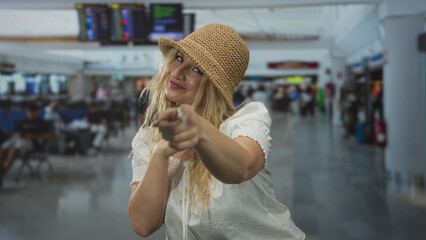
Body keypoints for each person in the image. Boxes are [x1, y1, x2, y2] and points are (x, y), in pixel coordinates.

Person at [128, 23, 306, 240]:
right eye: (179, 58)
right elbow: (143, 224)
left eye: (197, 70)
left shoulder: (246, 120)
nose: (177, 72)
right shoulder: (149, 138)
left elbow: (241, 168)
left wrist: (198, 129)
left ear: (215, 86)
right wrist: (160, 153)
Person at [0, 104, 51, 182]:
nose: (31, 113)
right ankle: (1, 171)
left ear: (36, 112)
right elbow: (14, 133)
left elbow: (48, 135)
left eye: (33, 112)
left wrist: (34, 136)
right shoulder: (22, 121)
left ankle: (3, 172)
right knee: (3, 150)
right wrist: (19, 134)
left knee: (14, 151)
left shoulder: (41, 122)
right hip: (17, 139)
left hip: (31, 141)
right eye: (29, 112)